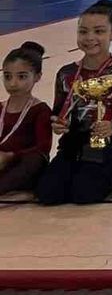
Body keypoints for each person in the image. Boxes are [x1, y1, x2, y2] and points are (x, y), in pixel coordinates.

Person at [38, 0, 112, 206]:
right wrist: (57, 122)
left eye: (99, 31)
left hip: (109, 146)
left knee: (83, 194)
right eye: (83, 31)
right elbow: (58, 111)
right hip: (73, 145)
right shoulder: (66, 73)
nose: (90, 38)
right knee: (47, 194)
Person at [0, 42, 52, 195]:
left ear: (37, 77)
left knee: (35, 159)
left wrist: (11, 156)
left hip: (22, 164)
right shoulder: (0, 107)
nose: (13, 83)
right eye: (7, 76)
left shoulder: (40, 110)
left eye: (22, 77)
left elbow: (43, 147)